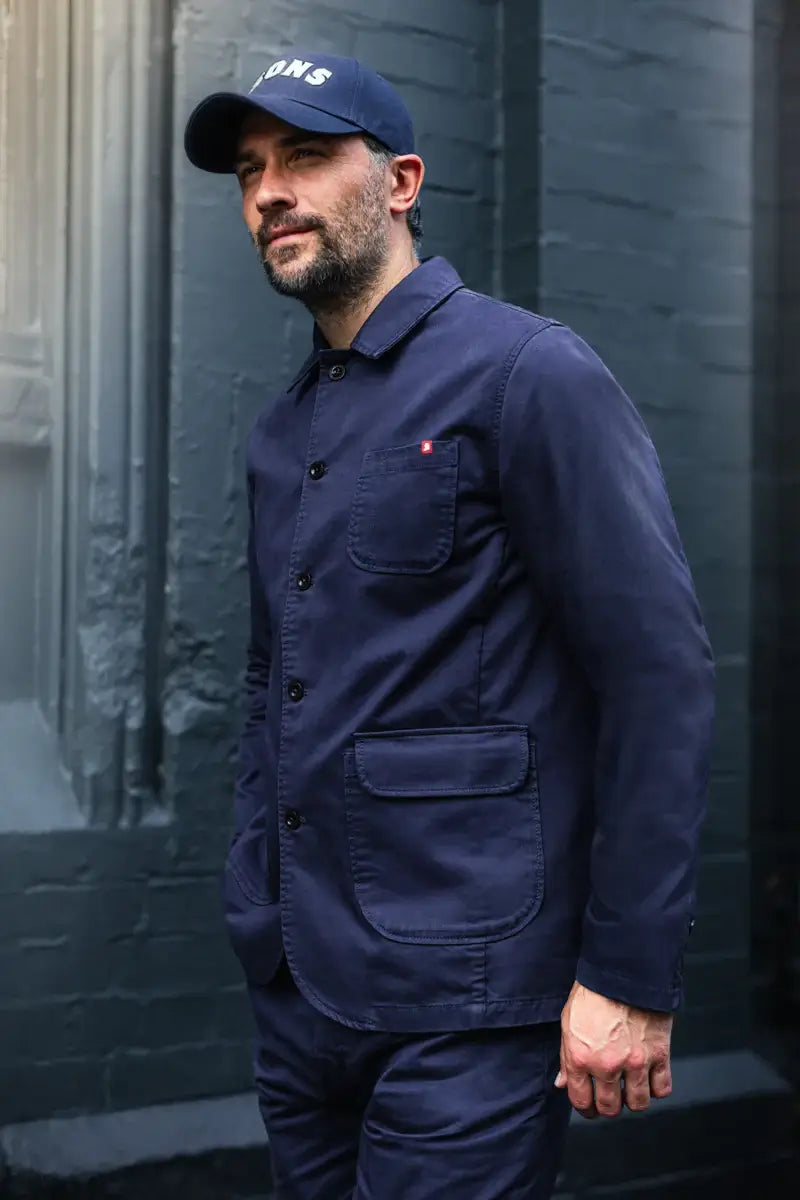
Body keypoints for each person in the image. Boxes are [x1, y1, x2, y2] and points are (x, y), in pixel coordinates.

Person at [184, 51, 715, 1200]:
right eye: (250, 170)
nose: (270, 191)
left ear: (402, 180)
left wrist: (626, 975)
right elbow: (278, 678)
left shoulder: (528, 374)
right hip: (300, 990)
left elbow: (657, 675)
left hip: (467, 1001)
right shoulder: (283, 433)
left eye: (309, 157)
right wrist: (254, 900)